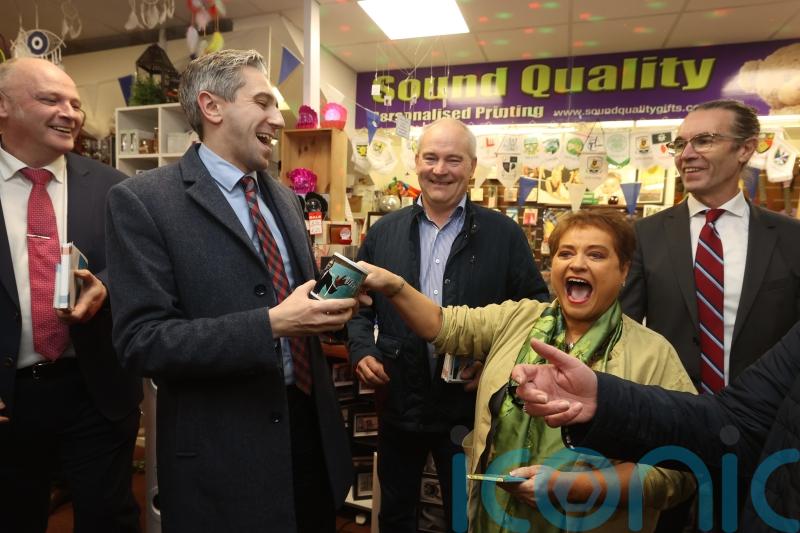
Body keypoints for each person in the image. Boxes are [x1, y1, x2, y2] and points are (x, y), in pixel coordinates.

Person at [105, 49, 358, 533]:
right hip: (224, 455)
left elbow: (290, 295)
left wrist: (333, 300)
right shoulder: (143, 201)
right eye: (262, 101)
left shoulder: (282, 195)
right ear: (212, 107)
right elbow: (142, 341)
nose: (277, 118)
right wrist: (272, 325)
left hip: (309, 436)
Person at [359, 208, 697, 533]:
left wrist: (574, 486)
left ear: (624, 271)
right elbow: (443, 324)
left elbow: (678, 469)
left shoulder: (653, 354)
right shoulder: (520, 318)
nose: (577, 263)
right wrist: (395, 287)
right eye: (566, 253)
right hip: (493, 519)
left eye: (595, 255)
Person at [347, 117, 549, 532]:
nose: (440, 170)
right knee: (397, 512)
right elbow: (359, 306)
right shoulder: (382, 232)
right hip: (400, 397)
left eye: (453, 159)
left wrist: (499, 364)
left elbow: (538, 312)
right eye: (431, 158)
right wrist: (362, 349)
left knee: (467, 512)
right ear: (416, 162)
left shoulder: (504, 234)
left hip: (471, 408)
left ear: (472, 167)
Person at [0, 58, 142, 532]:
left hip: (96, 389)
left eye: (76, 103)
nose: (71, 113)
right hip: (9, 398)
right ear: (3, 106)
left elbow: (141, 271)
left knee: (108, 518)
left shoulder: (115, 189)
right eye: (51, 99)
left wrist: (107, 285)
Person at [510, 323, 800, 533]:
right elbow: (735, 423)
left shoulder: (652, 350)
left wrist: (572, 486)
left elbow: (666, 482)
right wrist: (602, 400)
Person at [620, 99, 800, 394]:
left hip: (764, 420)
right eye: (680, 144)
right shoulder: (644, 235)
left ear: (745, 149)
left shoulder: (791, 238)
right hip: (671, 413)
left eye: (704, 141)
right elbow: (623, 330)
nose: (686, 155)